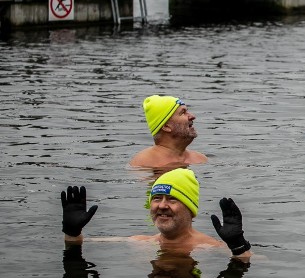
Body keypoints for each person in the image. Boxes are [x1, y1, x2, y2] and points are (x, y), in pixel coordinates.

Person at [61, 168, 251, 258]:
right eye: (157, 198)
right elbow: (80, 243)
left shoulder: (209, 248)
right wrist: (72, 233)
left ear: (190, 209)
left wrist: (238, 247)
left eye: (172, 199)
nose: (162, 205)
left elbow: (258, 262)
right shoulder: (139, 242)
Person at [129, 95, 208, 168]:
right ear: (166, 126)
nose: (192, 116)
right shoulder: (144, 163)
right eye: (183, 113)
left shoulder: (200, 159)